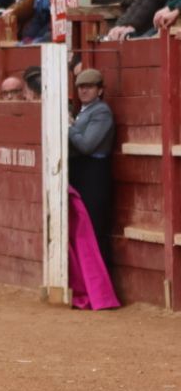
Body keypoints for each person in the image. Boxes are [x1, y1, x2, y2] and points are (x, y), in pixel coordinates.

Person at [68, 68, 115, 264]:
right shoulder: (83, 111)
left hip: (94, 175)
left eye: (88, 87)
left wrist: (68, 127)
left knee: (94, 226)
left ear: (100, 90)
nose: (83, 91)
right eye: (80, 87)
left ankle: (99, 281)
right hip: (82, 173)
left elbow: (87, 145)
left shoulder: (101, 111)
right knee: (84, 226)